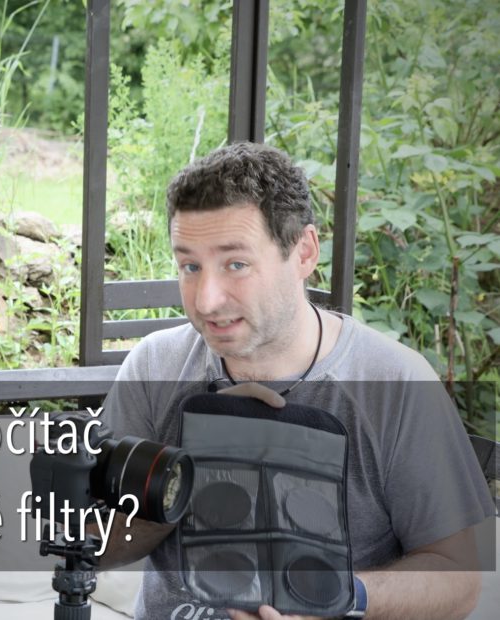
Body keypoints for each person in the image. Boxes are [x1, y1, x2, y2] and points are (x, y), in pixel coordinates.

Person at [100, 142, 494, 620]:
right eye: (190, 266)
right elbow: (100, 546)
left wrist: (335, 597)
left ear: (304, 251)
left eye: (236, 264)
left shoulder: (394, 385)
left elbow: (459, 579)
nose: (206, 300)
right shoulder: (154, 366)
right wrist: (183, 472)